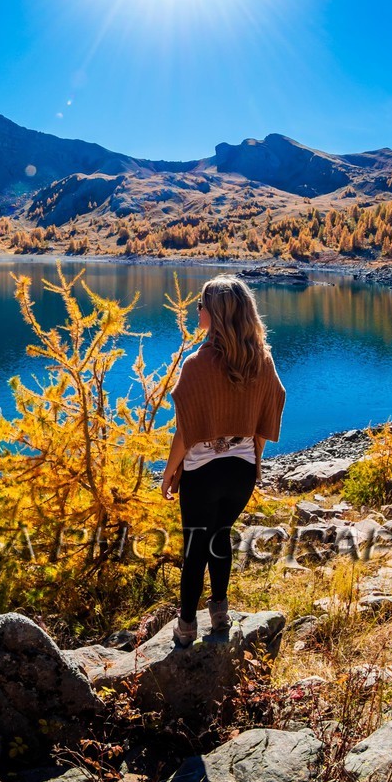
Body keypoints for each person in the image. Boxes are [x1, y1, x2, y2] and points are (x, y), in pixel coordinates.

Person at [161, 275, 285, 648]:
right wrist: (256, 459)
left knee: (195, 547)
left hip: (203, 474)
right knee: (220, 538)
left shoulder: (197, 364)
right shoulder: (260, 358)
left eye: (200, 306)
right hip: (241, 473)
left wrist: (170, 472)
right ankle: (219, 613)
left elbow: (186, 430)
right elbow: (271, 407)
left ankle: (186, 626)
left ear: (213, 313)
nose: (196, 311)